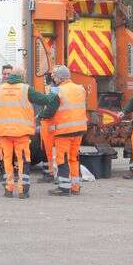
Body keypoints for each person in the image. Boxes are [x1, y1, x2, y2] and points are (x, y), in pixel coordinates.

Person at [0, 66, 54, 199]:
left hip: (4, 133)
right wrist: (53, 93)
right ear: (22, 76)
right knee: (23, 161)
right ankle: (23, 191)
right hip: (21, 134)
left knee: (7, 160)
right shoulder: (26, 89)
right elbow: (44, 100)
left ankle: (8, 189)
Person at [39, 65, 87, 196]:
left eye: (54, 76)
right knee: (74, 158)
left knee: (62, 159)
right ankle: (76, 187)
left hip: (64, 131)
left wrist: (40, 116)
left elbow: (49, 110)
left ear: (60, 77)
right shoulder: (80, 89)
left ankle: (64, 188)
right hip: (79, 130)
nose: (52, 78)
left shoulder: (57, 90)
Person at [0, 64, 14, 182]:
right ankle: (4, 172)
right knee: (2, 150)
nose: (6, 76)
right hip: (2, 125)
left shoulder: (18, 87)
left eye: (8, 74)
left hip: (14, 125)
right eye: (4, 74)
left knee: (13, 151)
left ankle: (10, 173)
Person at [38, 73, 59, 183]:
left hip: (50, 125)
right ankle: (49, 172)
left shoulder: (52, 90)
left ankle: (49, 173)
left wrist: (40, 115)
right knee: (48, 151)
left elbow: (50, 109)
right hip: (49, 125)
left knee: (49, 151)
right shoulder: (54, 89)